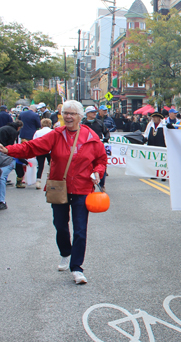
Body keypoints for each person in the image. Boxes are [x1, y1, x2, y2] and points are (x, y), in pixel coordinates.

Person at [0, 100, 107, 284]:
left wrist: (97, 171)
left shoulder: (91, 136)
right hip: (59, 186)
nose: (68, 116)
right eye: (66, 113)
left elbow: (101, 160)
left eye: (72, 113)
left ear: (80, 116)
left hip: (82, 189)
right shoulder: (56, 134)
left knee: (80, 229)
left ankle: (77, 268)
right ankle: (66, 252)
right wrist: (9, 149)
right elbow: (32, 147)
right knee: (60, 224)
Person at [82, 106, 110, 190]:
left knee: (102, 165)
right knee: (87, 166)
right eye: (92, 112)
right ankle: (88, 185)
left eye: (95, 111)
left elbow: (106, 132)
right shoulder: (82, 124)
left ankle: (102, 184)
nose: (94, 113)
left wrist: (106, 138)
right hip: (86, 148)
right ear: (87, 114)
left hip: (99, 147)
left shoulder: (100, 123)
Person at [0, 120, 23, 210]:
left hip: (6, 158)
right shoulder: (13, 132)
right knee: (1, 177)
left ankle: (2, 201)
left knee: (1, 177)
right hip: (6, 155)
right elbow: (12, 145)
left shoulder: (6, 129)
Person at [33, 118, 53, 189]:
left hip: (40, 150)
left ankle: (38, 181)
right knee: (51, 166)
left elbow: (34, 141)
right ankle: (50, 180)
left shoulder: (37, 132)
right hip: (50, 151)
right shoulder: (52, 131)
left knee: (40, 166)